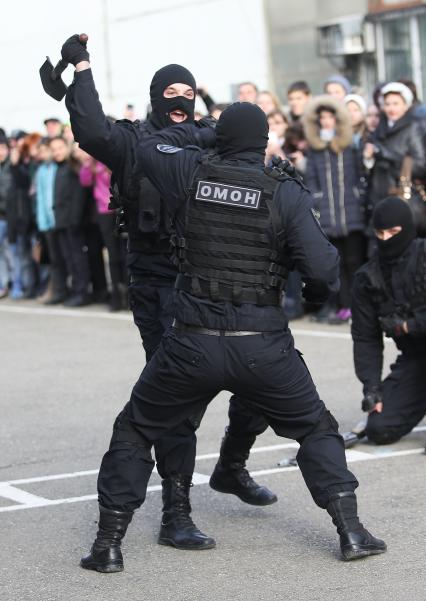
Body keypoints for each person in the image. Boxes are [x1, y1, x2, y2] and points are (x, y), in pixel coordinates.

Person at [80, 102, 386, 572]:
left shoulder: (189, 173)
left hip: (191, 343)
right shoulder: (283, 191)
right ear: (264, 142)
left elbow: (147, 145)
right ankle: (352, 532)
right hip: (261, 343)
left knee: (137, 429)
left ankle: (108, 545)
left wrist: (202, 134)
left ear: (221, 138)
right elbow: (325, 269)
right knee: (314, 429)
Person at [62, 34, 276, 553]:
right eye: (169, 92)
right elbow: (89, 127)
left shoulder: (211, 137)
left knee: (265, 376)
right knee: (175, 399)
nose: (179, 100)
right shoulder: (133, 141)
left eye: (188, 91)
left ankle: (231, 466)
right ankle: (175, 512)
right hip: (158, 283)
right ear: (156, 97)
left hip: (219, 278)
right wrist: (81, 68)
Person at [349, 196, 426, 446]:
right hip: (416, 359)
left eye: (393, 232)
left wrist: (408, 325)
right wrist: (371, 388)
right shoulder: (367, 278)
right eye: (379, 233)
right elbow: (365, 337)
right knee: (379, 429)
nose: (386, 240)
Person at [303, 96, 366, 324]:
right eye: (322, 118)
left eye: (330, 117)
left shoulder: (350, 144)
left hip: (352, 214)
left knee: (355, 261)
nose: (327, 121)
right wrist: (317, 200)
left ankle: (358, 307)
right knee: (336, 263)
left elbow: (360, 174)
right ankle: (342, 306)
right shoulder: (316, 148)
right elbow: (311, 179)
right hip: (329, 214)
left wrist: (359, 196)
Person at [363, 82, 425, 214]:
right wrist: (368, 158)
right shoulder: (378, 129)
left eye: (396, 103)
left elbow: (420, 165)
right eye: (387, 104)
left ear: (406, 105)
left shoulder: (413, 128)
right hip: (378, 197)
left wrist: (385, 154)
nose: (391, 108)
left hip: (404, 197)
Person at [49, 136, 91, 306]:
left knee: (77, 258)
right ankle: (74, 291)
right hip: (61, 221)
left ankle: (82, 293)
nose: (57, 152)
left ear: (66, 149)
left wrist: (75, 219)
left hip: (73, 222)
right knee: (68, 258)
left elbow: (79, 196)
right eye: (54, 149)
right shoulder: (58, 169)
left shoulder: (73, 167)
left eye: (59, 148)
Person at [0, 134, 12, 298]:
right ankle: (4, 283)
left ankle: (17, 284)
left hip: (9, 217)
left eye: (2, 149)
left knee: (12, 253)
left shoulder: (12, 167)